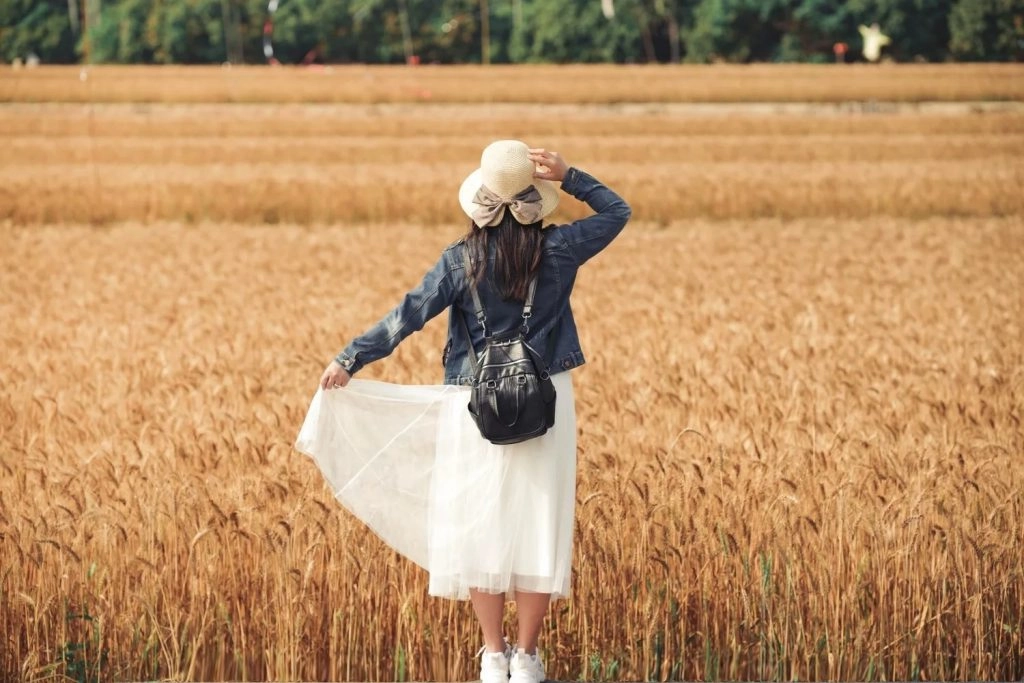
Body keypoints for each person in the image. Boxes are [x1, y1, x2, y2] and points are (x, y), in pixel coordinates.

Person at [305, 140, 631, 683]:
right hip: (545, 401)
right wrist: (571, 175)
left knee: (481, 525)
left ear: (481, 198)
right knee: (536, 524)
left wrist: (349, 359)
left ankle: (493, 655)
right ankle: (527, 658)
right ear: (535, 197)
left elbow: (408, 314)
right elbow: (618, 212)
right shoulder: (561, 249)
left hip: (473, 404)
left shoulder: (461, 260)